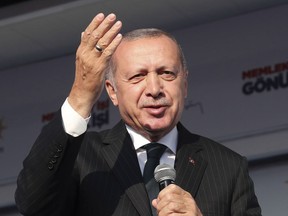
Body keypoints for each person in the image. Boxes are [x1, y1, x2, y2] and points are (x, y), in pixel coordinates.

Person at [15, 13, 261, 216]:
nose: (154, 89)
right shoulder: (82, 157)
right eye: (137, 76)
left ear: (184, 85)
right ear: (112, 92)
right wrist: (81, 95)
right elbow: (34, 204)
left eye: (167, 73)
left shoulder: (229, 168)